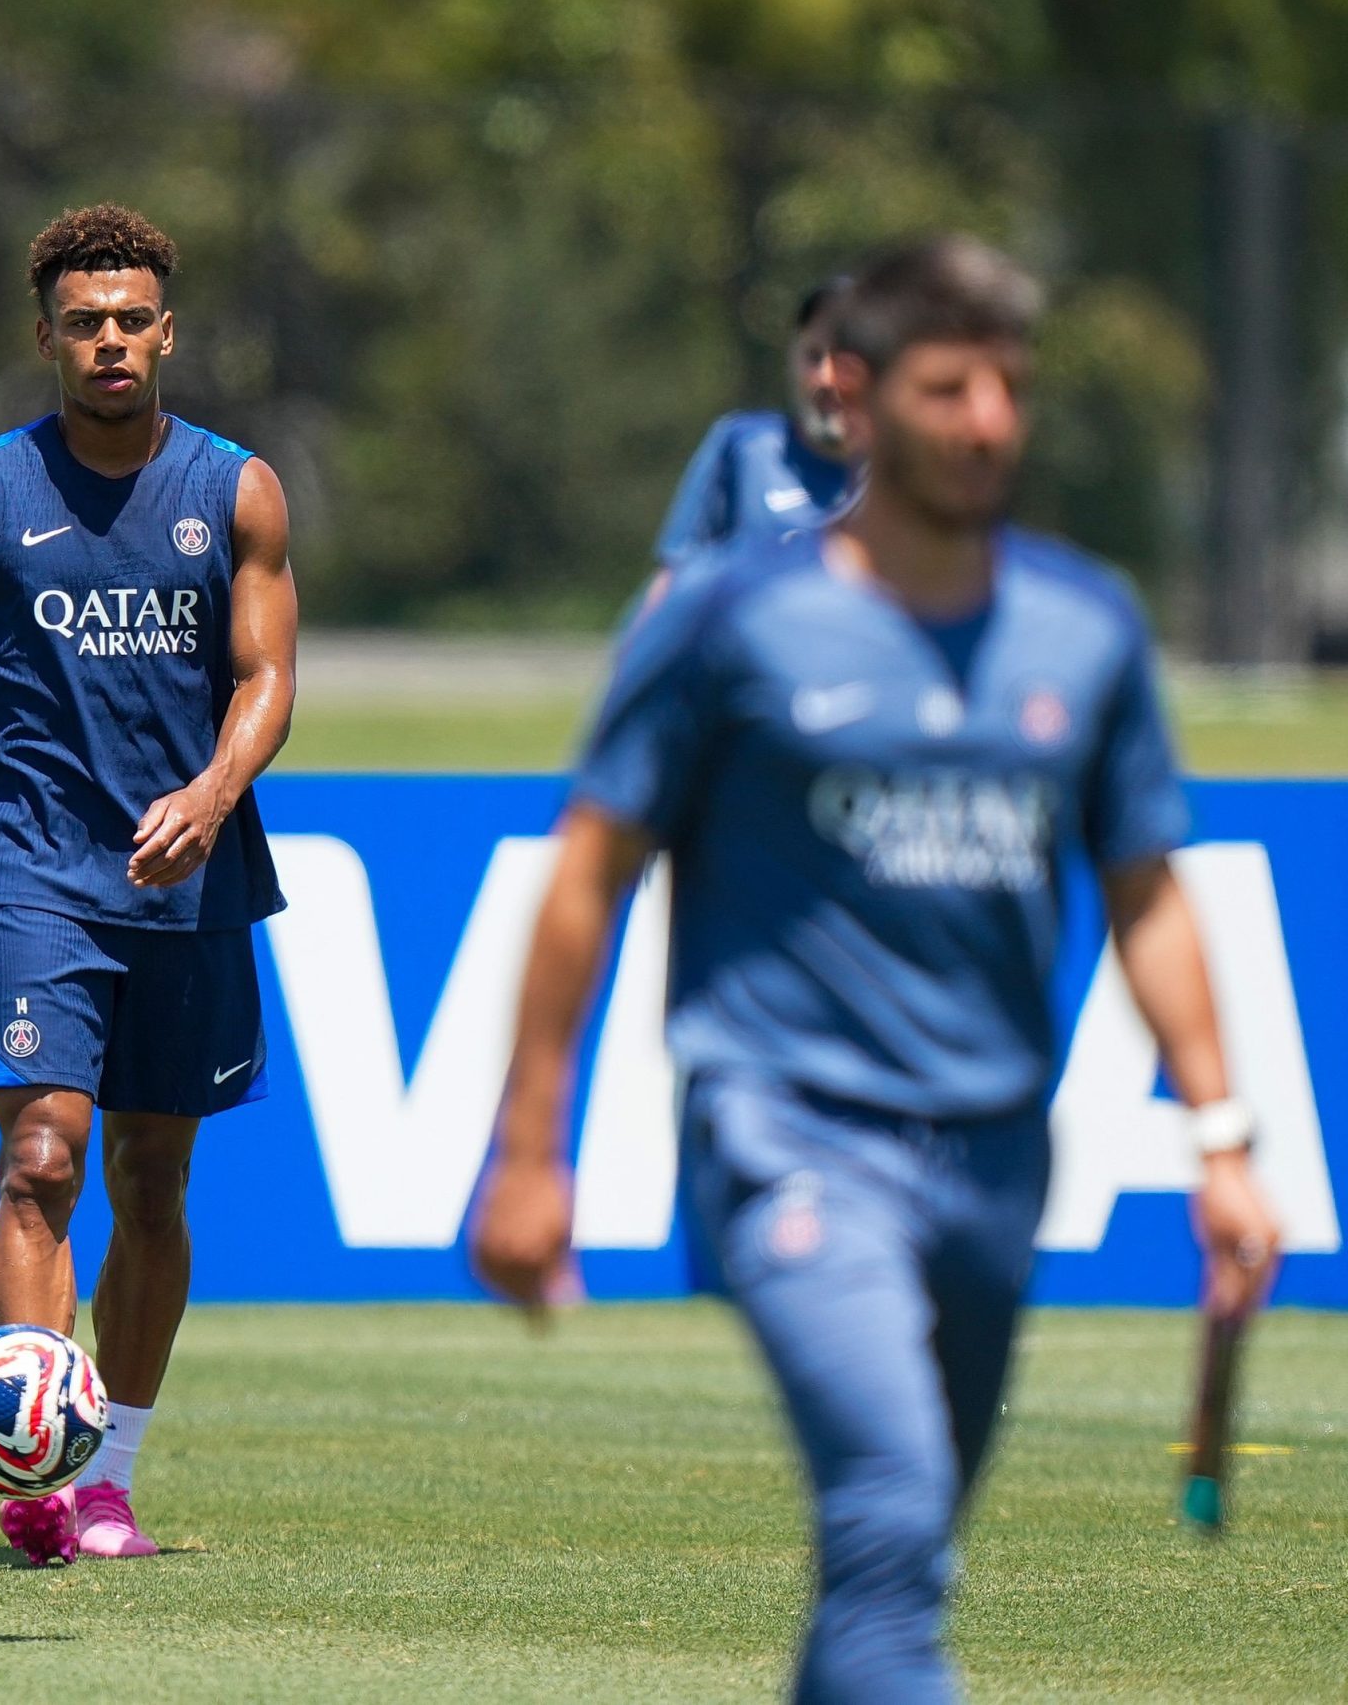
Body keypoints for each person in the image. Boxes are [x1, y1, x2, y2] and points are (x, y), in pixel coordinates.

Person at [469, 236, 1283, 1703]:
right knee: (892, 1510)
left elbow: (1149, 892)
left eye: (1011, 390)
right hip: (787, 1127)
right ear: (855, 390)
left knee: (888, 1566)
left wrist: (1222, 1140)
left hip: (992, 1154)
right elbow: (586, 872)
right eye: (949, 386)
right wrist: (527, 1149)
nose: (987, 422)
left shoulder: (1084, 625)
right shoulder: (733, 621)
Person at [0, 204, 297, 1565]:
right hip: (32, 873)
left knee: (152, 1182)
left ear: (165, 330)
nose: (111, 341)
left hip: (189, 883)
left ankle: (109, 1478)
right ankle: (36, 1458)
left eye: (132, 318)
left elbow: (267, 679)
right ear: (46, 338)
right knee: (42, 1158)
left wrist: (207, 796)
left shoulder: (237, 489)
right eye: (84, 322)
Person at [655, 277, 859, 572]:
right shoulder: (745, 449)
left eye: (844, 361)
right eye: (813, 357)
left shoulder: (909, 472)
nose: (825, 378)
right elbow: (674, 581)